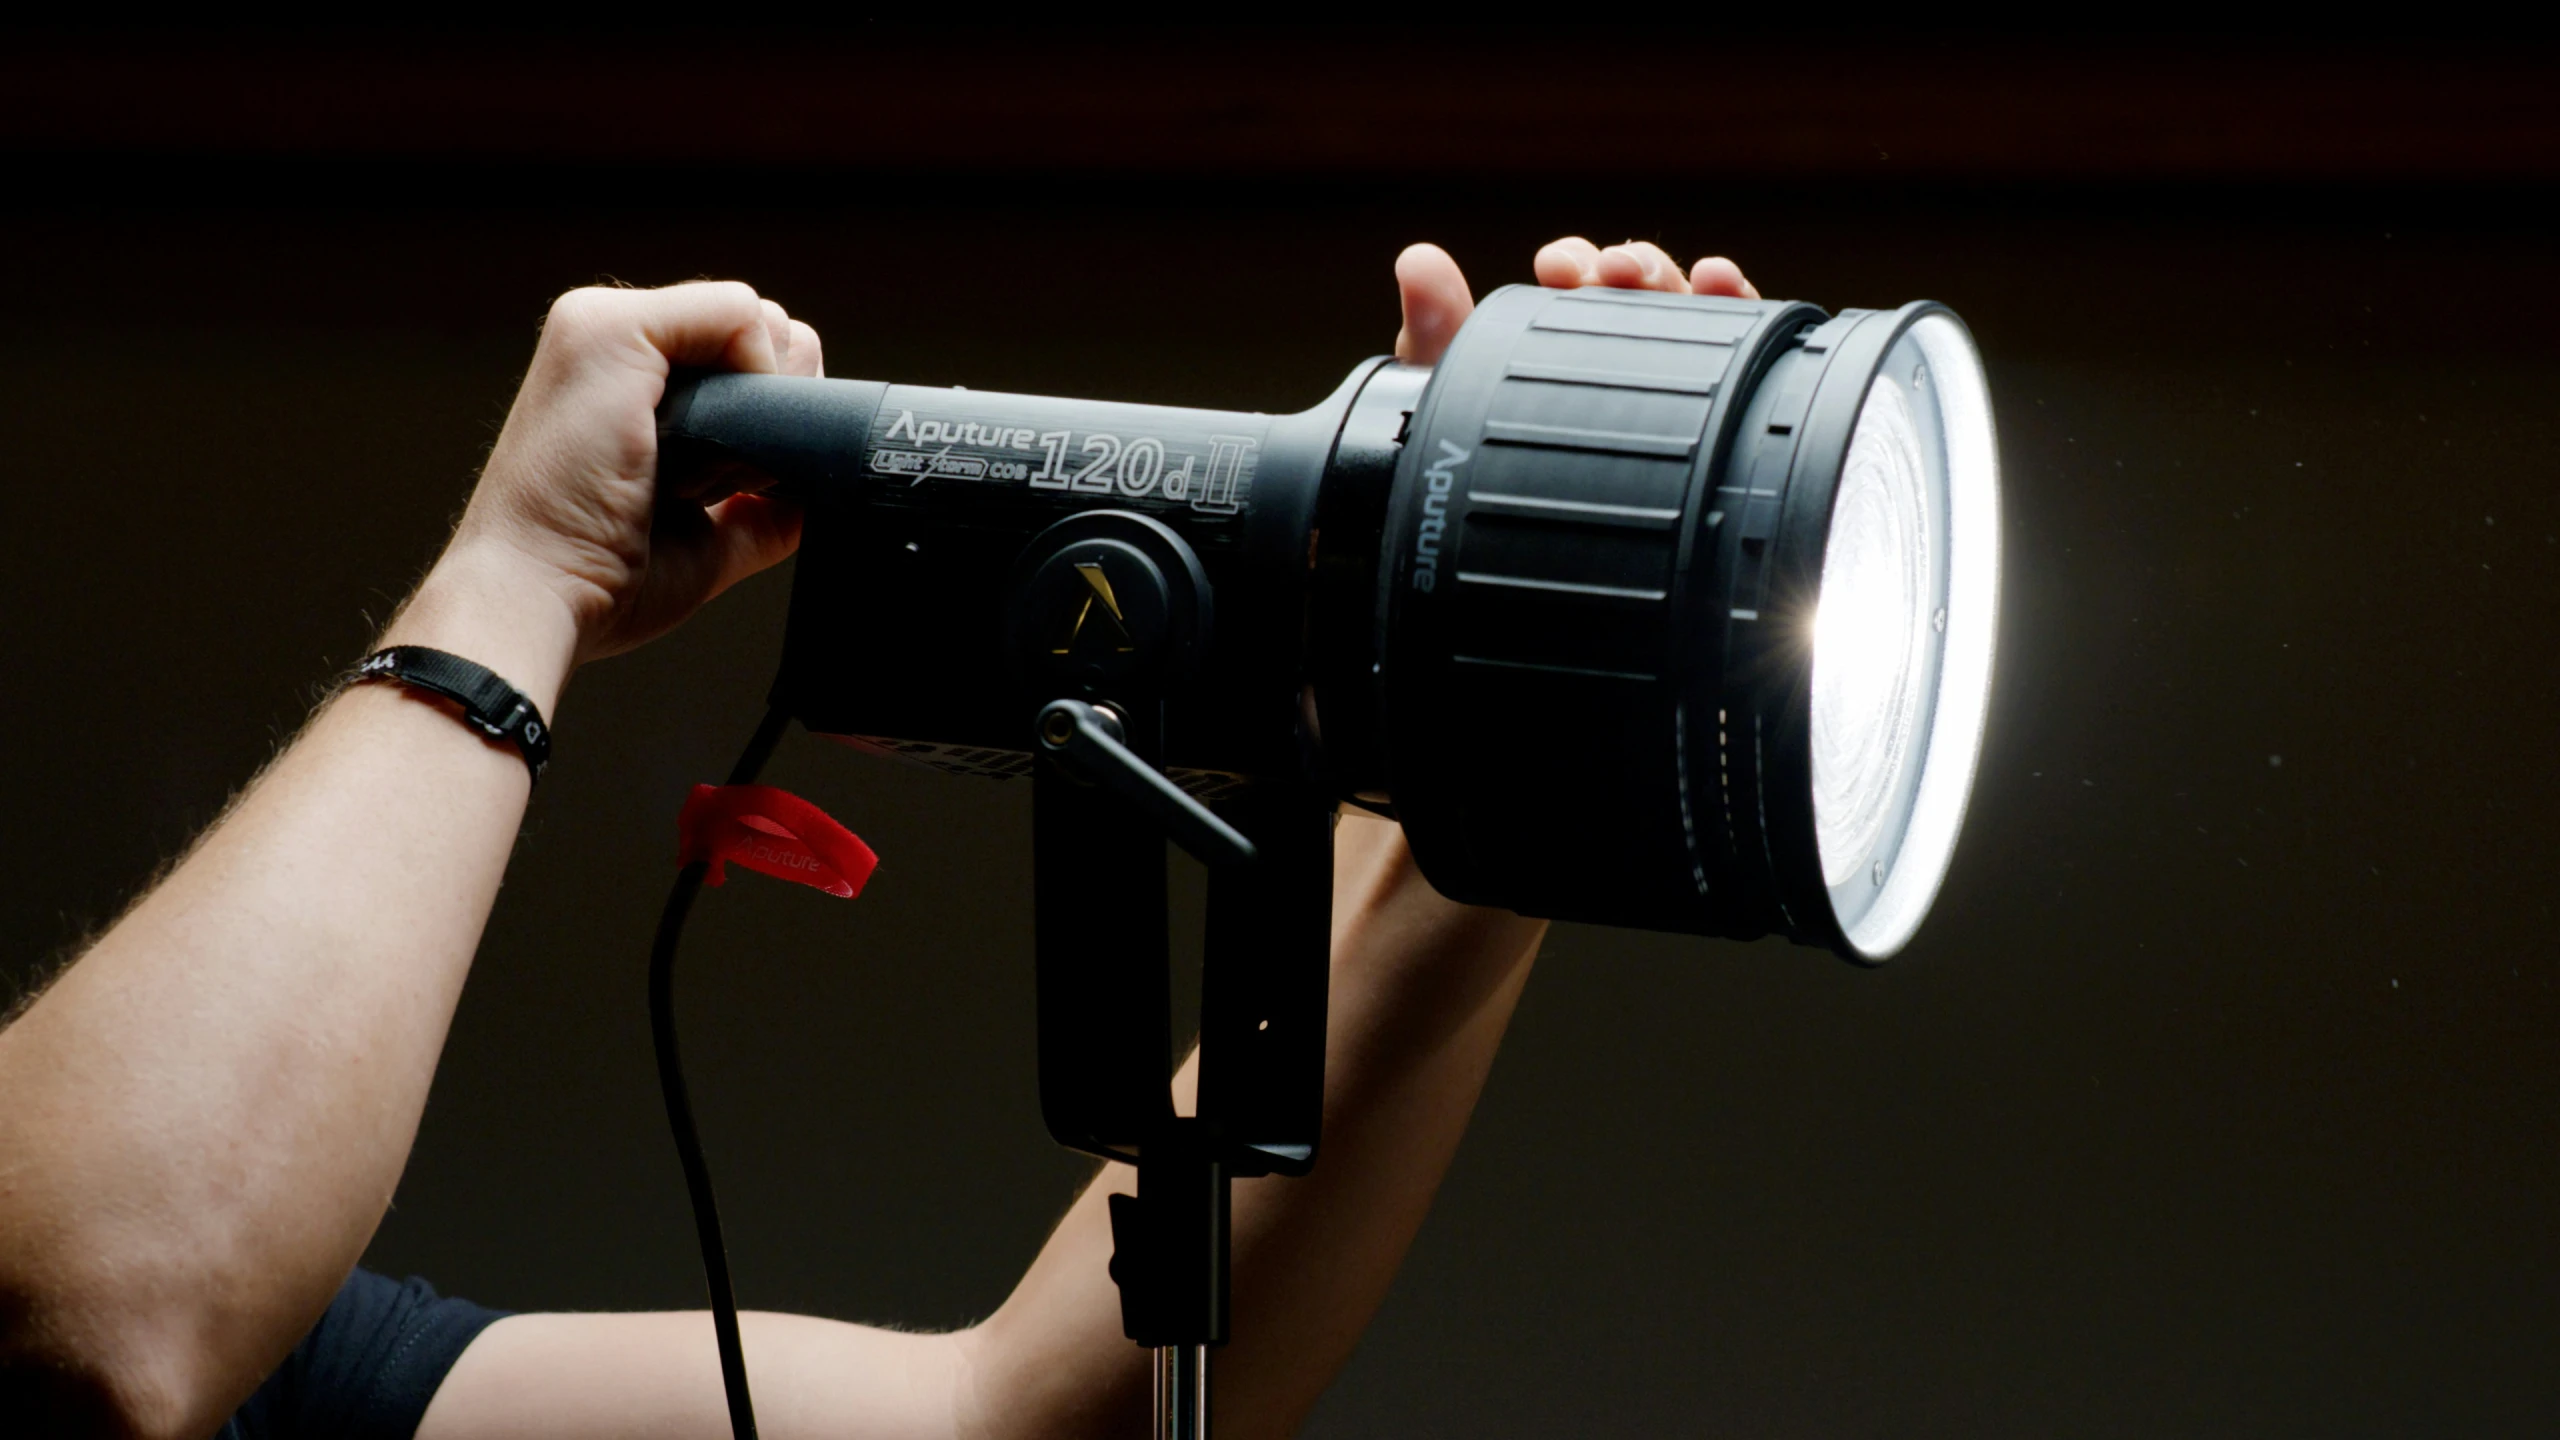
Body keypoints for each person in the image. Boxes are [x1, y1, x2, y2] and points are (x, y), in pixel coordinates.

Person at [0, 235, 1759, 1440]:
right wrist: (518, 570)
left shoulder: (303, 1381)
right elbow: (106, 1326)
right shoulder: (175, 1301)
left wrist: (1487, 751)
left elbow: (1039, 1415)